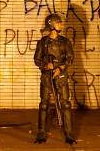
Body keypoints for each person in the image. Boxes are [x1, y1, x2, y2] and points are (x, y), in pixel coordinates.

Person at [33, 13, 75, 144]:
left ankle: (68, 133)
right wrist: (46, 65)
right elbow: (36, 60)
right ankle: (41, 132)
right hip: (47, 76)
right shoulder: (43, 42)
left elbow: (70, 58)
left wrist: (60, 68)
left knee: (66, 104)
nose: (61, 25)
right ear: (52, 25)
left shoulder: (65, 42)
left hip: (61, 76)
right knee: (44, 104)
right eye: (59, 23)